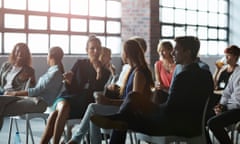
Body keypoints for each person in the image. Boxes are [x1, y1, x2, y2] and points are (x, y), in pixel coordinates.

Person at [90, 36, 214, 144]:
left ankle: (118, 118)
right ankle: (118, 118)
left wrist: (151, 108)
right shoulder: (205, 74)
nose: (173, 53)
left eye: (176, 50)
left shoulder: (182, 77)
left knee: (128, 115)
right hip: (190, 123)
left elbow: (169, 109)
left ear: (187, 52)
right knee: (133, 97)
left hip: (172, 125)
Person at [66, 38, 154, 144]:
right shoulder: (132, 70)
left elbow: (134, 102)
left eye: (122, 52)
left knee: (92, 108)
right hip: (122, 107)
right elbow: (128, 96)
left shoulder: (138, 73)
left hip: (130, 113)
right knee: (94, 115)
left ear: (127, 53)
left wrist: (109, 102)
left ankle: (76, 139)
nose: (121, 55)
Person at [40, 35, 110, 144]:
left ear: (101, 50)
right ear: (87, 50)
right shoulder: (80, 63)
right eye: (92, 48)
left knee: (54, 115)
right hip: (68, 98)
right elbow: (71, 89)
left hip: (84, 105)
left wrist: (98, 71)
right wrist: (68, 81)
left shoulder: (105, 71)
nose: (95, 51)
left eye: (98, 48)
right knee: (64, 107)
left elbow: (96, 92)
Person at [0, 46, 64, 130]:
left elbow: (36, 90)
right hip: (32, 100)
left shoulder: (54, 73)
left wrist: (14, 93)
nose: (46, 57)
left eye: (47, 54)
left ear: (50, 56)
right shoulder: (52, 71)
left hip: (39, 103)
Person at [207, 65, 240, 144]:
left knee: (213, 123)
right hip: (230, 107)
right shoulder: (237, 72)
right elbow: (227, 92)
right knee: (203, 116)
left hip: (237, 109)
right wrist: (221, 105)